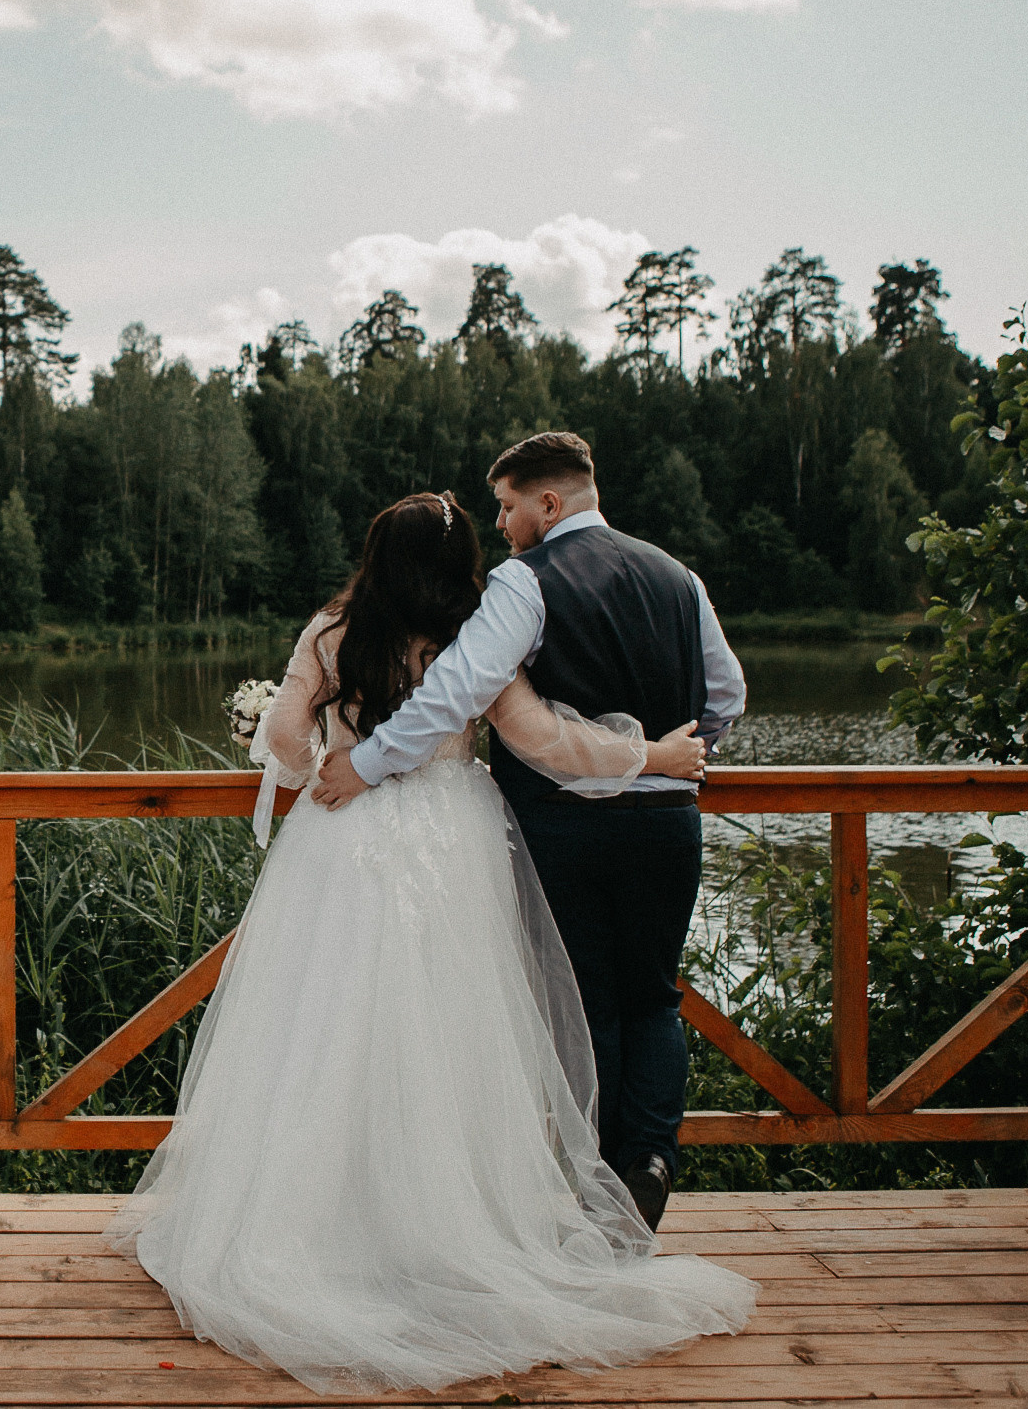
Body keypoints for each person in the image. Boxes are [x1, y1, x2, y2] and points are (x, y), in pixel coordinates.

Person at [106, 490, 755, 1395]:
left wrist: (307, 760)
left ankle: (322, 1222)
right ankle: (451, 1222)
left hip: (345, 838)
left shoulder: (333, 631)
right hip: (454, 842)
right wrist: (649, 755)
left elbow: (290, 737)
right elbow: (538, 737)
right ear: (454, 570)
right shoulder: (475, 634)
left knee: (329, 1020)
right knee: (453, 1027)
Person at [311, 430, 745, 1231]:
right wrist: (676, 758)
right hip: (666, 823)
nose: (502, 526)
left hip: (567, 826)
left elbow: (454, 691)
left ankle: (599, 1189)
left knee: (588, 1005)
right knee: (654, 1000)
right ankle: (649, 1161)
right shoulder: (678, 576)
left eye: (510, 508)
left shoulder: (526, 580)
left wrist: (368, 763)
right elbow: (726, 693)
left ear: (550, 503)